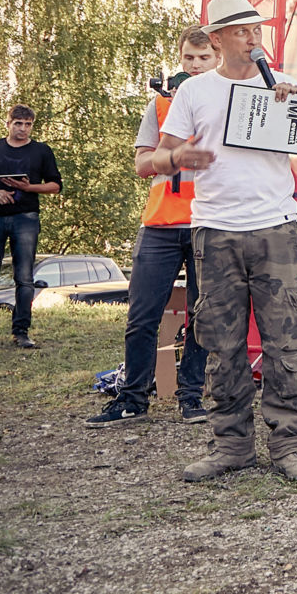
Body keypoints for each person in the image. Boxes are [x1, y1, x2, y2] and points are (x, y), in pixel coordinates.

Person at [152, 0, 297, 482]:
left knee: (285, 343)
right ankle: (231, 446)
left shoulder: (281, 84)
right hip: (215, 232)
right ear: (217, 39)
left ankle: (290, 445)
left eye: (257, 29)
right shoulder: (195, 91)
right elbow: (155, 159)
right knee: (221, 344)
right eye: (242, 31)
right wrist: (177, 159)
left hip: (275, 228)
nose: (254, 38)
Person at [87, 26, 218, 427]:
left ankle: (191, 397)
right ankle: (132, 398)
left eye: (204, 58)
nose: (195, 65)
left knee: (202, 315)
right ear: (180, 59)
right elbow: (142, 165)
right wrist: (174, 153)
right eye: (188, 58)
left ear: (217, 59)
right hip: (160, 223)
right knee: (142, 315)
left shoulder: (229, 103)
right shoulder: (160, 105)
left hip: (209, 222)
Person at [0, 105, 63, 350]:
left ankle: (21, 332)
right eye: (18, 123)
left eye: (28, 124)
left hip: (26, 217)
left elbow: (56, 186)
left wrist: (28, 188)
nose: (23, 129)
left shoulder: (41, 150)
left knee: (24, 278)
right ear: (8, 124)